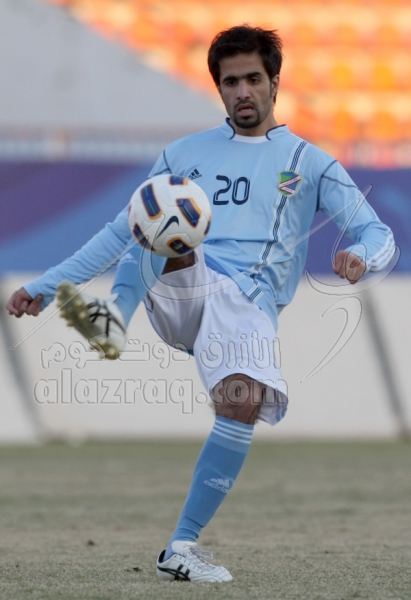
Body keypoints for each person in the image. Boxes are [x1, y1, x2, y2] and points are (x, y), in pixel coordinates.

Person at [7, 25, 395, 583]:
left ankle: (181, 548)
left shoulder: (310, 163)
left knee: (241, 402)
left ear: (275, 82)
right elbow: (119, 232)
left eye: (253, 79)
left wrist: (361, 254)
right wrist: (46, 286)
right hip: (185, 282)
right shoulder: (184, 155)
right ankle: (114, 319)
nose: (242, 91)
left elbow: (378, 233)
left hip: (247, 306)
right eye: (230, 82)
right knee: (159, 213)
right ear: (218, 88)